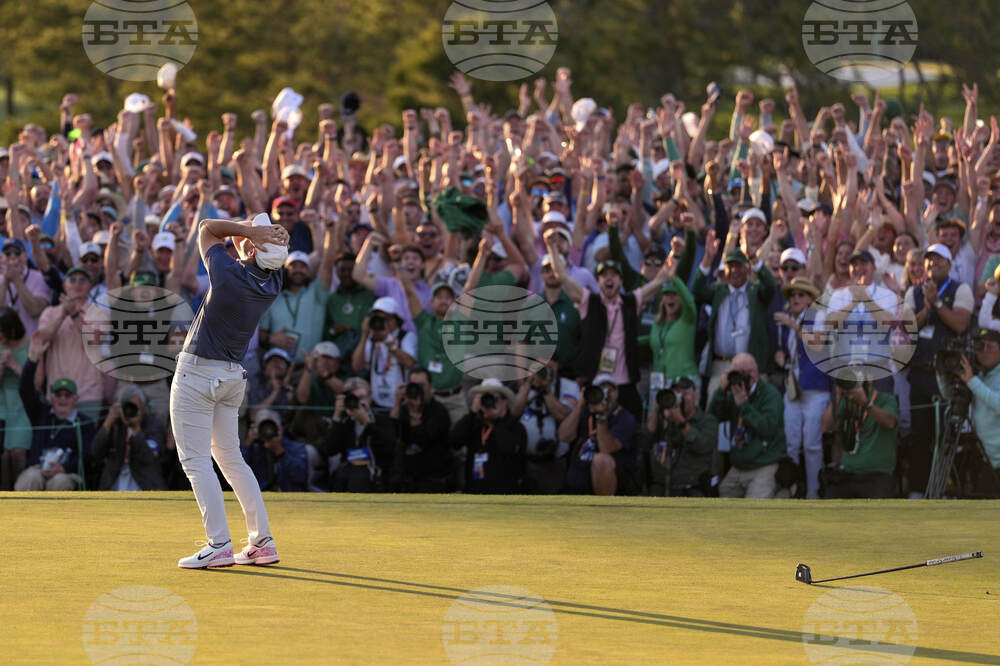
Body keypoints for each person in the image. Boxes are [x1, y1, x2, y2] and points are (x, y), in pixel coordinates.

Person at [170, 214, 289, 569]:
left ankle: (219, 543)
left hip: (197, 374)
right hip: (232, 377)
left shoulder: (227, 274)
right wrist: (256, 232)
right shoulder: (273, 280)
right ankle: (261, 542)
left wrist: (250, 231)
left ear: (251, 250)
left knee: (195, 460)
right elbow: (237, 239)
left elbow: (206, 227)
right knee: (230, 458)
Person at [903, 243, 972, 497]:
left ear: (949, 264)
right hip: (921, 374)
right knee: (920, 436)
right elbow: (908, 328)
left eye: (939, 259)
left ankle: (942, 490)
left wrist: (938, 302)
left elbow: (960, 324)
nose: (934, 264)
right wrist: (927, 307)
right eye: (930, 260)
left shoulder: (960, 289)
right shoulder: (914, 291)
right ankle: (917, 490)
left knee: (945, 437)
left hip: (947, 377)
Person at [693, 237, 777, 399]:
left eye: (738, 266)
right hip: (721, 365)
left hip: (749, 366)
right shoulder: (719, 291)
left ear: (747, 269)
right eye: (730, 266)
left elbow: (771, 286)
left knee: (749, 408)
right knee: (715, 405)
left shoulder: (755, 292)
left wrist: (754, 259)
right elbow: (697, 290)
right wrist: (707, 259)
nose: (734, 271)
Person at [14, 332, 96, 491]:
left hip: (67, 472)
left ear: (75, 399)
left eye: (67, 395)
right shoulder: (41, 414)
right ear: (52, 398)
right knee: (31, 478)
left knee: (60, 482)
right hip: (38, 469)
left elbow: (87, 455)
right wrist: (33, 359)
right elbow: (25, 389)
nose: (62, 399)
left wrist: (64, 467)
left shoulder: (85, 423)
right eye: (58, 395)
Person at [774, 277, 831, 499]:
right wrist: (781, 355)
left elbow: (818, 344)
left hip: (816, 389)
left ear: (810, 299)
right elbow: (788, 350)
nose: (795, 298)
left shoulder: (818, 316)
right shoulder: (789, 321)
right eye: (792, 295)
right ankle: (791, 489)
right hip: (794, 386)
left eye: (801, 294)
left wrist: (794, 327)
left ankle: (813, 492)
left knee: (811, 444)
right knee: (791, 442)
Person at [708, 353, 786, 498]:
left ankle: (782, 493)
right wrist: (721, 391)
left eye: (748, 371)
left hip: (764, 464)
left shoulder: (770, 395)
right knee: (722, 499)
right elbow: (712, 418)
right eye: (738, 372)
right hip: (739, 467)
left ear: (755, 372)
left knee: (754, 508)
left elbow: (768, 429)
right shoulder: (733, 392)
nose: (744, 377)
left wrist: (744, 405)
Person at [821, 373, 900, 498]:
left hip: (877, 475)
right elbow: (826, 427)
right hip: (847, 474)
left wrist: (866, 403)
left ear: (870, 379)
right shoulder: (847, 401)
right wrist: (837, 396)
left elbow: (890, 422)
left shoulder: (886, 399)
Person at [559, 374, 638, 496]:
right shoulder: (586, 413)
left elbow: (606, 449)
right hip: (575, 487)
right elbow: (563, 436)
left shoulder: (625, 418)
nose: (606, 394)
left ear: (617, 393)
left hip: (606, 488)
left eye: (610, 390)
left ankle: (603, 506)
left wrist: (601, 416)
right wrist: (580, 405)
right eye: (601, 390)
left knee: (601, 459)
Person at [511, 361, 579, 493]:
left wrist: (546, 390)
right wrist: (528, 384)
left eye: (548, 366)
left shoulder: (568, 385)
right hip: (525, 462)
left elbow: (563, 415)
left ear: (556, 366)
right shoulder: (523, 385)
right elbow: (513, 413)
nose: (544, 370)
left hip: (553, 463)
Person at [450, 378, 526, 494]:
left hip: (503, 495)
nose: (488, 402)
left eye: (493, 398)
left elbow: (509, 448)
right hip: (474, 493)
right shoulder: (474, 424)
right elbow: (455, 441)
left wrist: (496, 422)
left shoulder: (516, 427)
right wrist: (472, 412)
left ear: (504, 402)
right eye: (484, 398)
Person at [643, 377, 717, 496]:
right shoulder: (663, 420)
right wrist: (656, 412)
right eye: (676, 394)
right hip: (661, 487)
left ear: (696, 395)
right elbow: (644, 442)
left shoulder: (707, 421)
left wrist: (681, 422)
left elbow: (703, 446)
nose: (681, 398)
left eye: (685, 394)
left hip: (691, 488)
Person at [326, 377, 396, 492]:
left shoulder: (381, 420)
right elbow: (329, 450)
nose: (358, 403)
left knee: (359, 476)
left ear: (370, 397)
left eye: (361, 397)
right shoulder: (345, 423)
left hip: (375, 474)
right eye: (353, 399)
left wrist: (367, 423)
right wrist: (336, 416)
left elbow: (389, 447)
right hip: (348, 471)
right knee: (341, 475)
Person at [389, 368, 453, 492]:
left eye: (421, 385)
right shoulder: (404, 409)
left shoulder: (439, 411)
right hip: (407, 479)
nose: (417, 390)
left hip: (433, 478)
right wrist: (397, 402)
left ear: (430, 387)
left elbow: (424, 439)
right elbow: (392, 434)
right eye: (414, 385)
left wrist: (414, 414)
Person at [92, 385, 167, 491]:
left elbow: (149, 459)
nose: (131, 411)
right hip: (115, 480)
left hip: (144, 482)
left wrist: (136, 429)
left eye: (135, 407)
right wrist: (109, 421)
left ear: (142, 408)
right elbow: (96, 453)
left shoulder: (153, 426)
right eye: (127, 406)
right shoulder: (116, 424)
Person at [351, 296, 417, 411]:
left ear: (396, 319)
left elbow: (410, 363)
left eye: (385, 319)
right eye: (377, 318)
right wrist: (364, 335)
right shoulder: (372, 339)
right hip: (376, 402)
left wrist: (388, 341)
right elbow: (357, 366)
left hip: (401, 403)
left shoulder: (406, 337)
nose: (381, 322)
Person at [957, 329, 1000, 478]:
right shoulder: (980, 376)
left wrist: (971, 381)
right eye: (980, 347)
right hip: (987, 460)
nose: (985, 351)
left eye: (990, 346)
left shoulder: (975, 380)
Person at [242, 408, 311, 493]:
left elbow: (300, 476)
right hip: (259, 495)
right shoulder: (253, 449)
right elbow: (236, 472)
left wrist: (280, 452)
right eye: (263, 426)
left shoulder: (297, 448)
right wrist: (248, 443)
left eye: (271, 426)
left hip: (289, 494)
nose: (267, 431)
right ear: (255, 429)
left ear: (280, 429)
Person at [0, 306, 30, 490]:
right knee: (3, 457)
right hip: (3, 405)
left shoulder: (30, 345)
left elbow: (35, 384)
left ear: (11, 329)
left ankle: (22, 495)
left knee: (17, 454)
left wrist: (13, 365)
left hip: (22, 406)